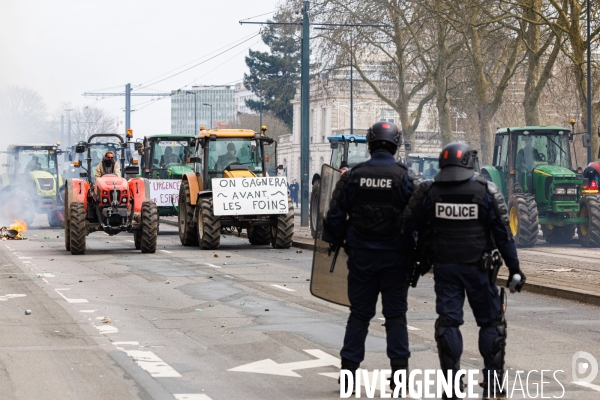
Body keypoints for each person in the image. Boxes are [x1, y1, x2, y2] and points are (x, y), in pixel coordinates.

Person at [409, 142, 526, 399]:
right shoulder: (486, 191)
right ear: (470, 163)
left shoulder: (429, 191)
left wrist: (419, 259)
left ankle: (451, 386)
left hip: (445, 269)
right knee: (491, 324)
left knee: (448, 323)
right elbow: (504, 235)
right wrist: (515, 269)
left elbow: (411, 225)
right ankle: (493, 385)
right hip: (479, 269)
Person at [322, 121, 414, 393]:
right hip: (397, 259)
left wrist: (336, 241)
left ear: (370, 144)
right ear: (395, 145)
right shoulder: (405, 177)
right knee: (396, 317)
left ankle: (348, 377)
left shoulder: (353, 176)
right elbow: (418, 219)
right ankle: (399, 380)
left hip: (361, 258)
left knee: (359, 316)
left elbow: (336, 215)